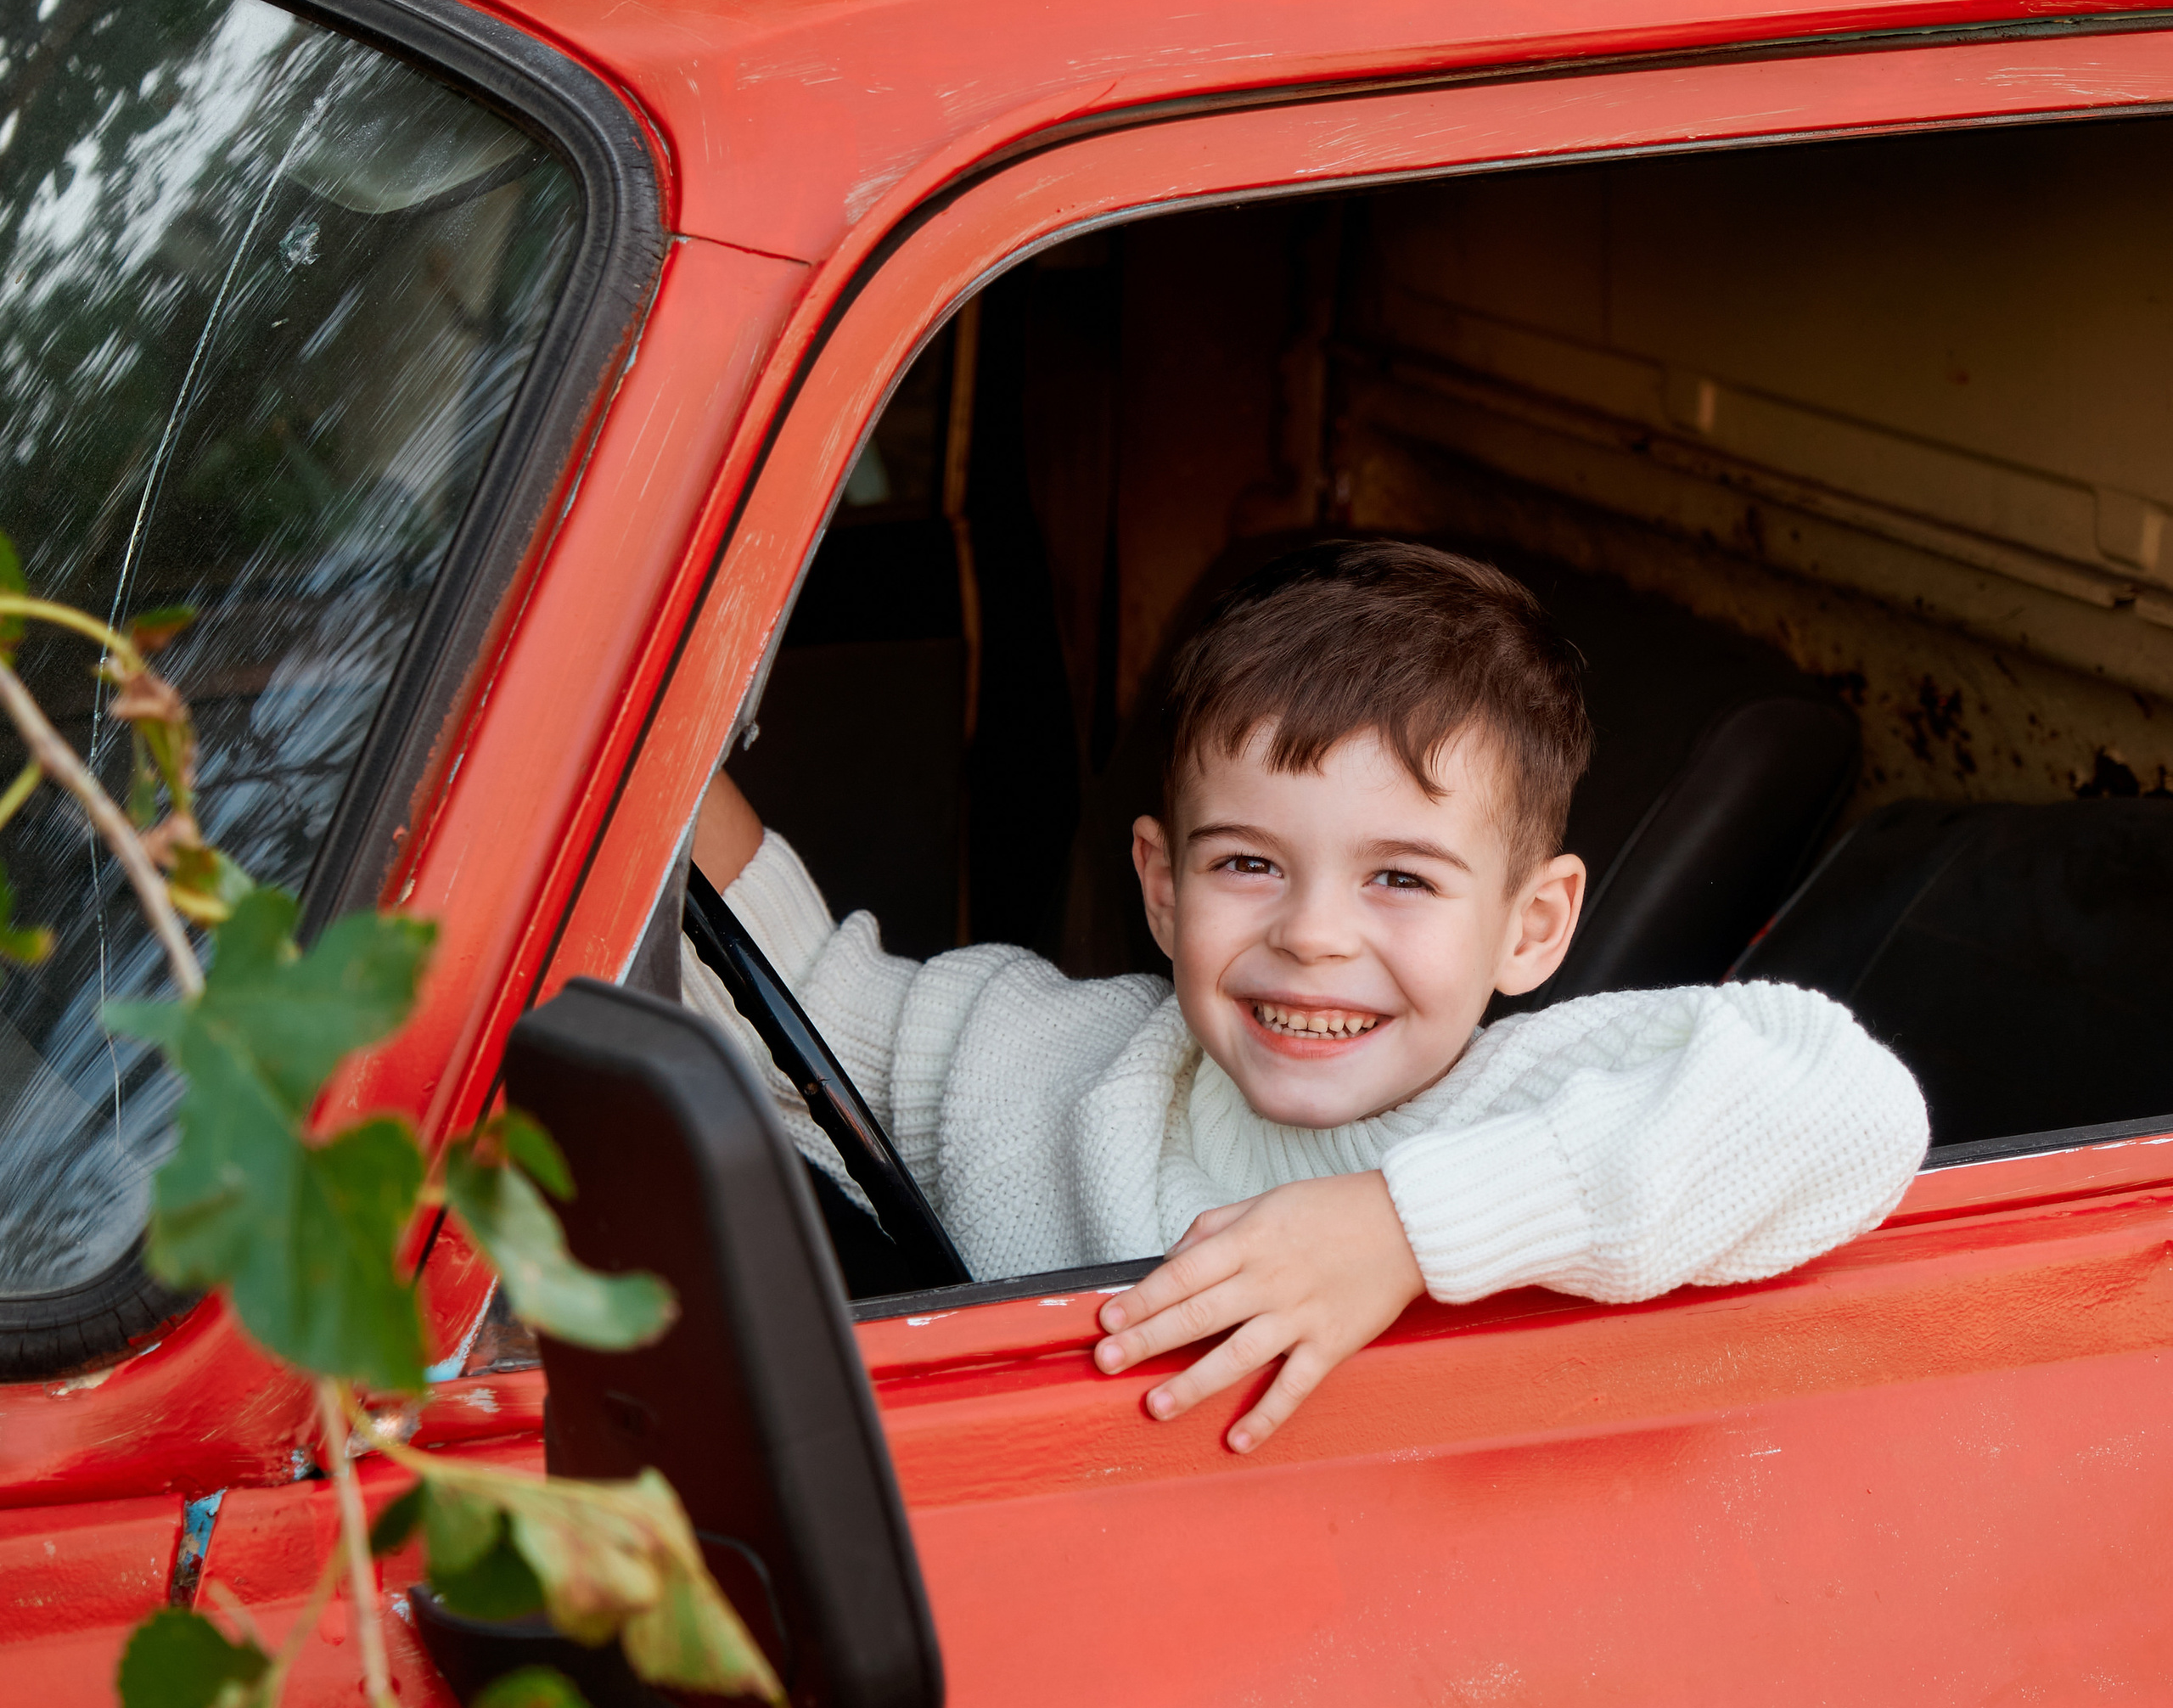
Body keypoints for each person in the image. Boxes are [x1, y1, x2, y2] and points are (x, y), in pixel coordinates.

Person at [684, 539, 1927, 1453]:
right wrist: (637, 730)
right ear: (1163, 890)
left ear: (1531, 926)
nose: (1314, 935)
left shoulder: (1531, 1096)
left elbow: (1845, 1103)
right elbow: (793, 991)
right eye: (1247, 864)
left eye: (1400, 878)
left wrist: (1402, 1230)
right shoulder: (1055, 1066)